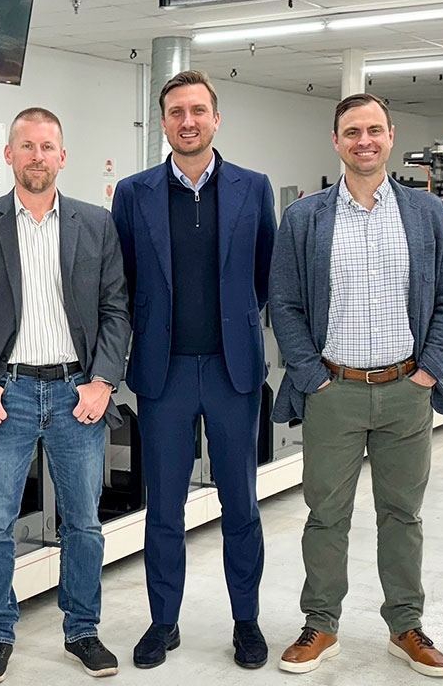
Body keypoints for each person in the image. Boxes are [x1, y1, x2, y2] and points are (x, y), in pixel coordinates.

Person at [268, 93, 443, 678]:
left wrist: (428, 372)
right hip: (334, 390)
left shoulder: (425, 214)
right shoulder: (304, 218)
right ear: (336, 140)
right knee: (325, 516)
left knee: (402, 515)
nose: (364, 141)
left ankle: (405, 626)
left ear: (391, 136)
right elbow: (284, 303)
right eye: (352, 131)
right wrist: (310, 377)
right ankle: (321, 625)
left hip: (407, 389)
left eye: (374, 130)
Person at [0, 107, 131, 683]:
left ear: (62, 156)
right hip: (8, 394)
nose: (37, 156)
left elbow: (116, 309)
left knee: (84, 523)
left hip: (79, 394)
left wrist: (102, 381)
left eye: (48, 147)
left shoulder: (95, 223)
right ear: (10, 155)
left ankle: (83, 631)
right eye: (27, 146)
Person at [111, 70, 276, 670]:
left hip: (234, 372)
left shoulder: (253, 189)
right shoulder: (134, 193)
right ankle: (163, 622)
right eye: (177, 112)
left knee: (242, 505)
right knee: (164, 510)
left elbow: (265, 277)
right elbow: (121, 282)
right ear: (164, 123)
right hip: (164, 374)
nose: (189, 121)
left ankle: (247, 621)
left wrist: (234, 323)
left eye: (199, 110)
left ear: (216, 117)